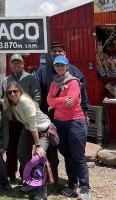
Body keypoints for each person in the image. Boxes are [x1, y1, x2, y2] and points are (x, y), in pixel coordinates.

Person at [36, 42, 89, 184]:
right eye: (54, 51)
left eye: (60, 51)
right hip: (51, 119)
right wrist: (52, 105)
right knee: (56, 152)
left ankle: (82, 185)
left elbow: (79, 96)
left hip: (73, 118)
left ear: (65, 56)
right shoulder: (42, 71)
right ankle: (53, 179)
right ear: (51, 56)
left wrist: (85, 111)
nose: (57, 53)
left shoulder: (75, 73)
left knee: (76, 154)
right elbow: (45, 98)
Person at [47, 56, 90, 200]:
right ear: (54, 67)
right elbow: (48, 100)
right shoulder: (54, 84)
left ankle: (85, 189)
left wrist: (55, 102)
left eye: (62, 65)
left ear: (67, 66)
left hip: (75, 122)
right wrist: (61, 101)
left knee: (78, 156)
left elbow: (71, 101)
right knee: (67, 155)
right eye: (57, 65)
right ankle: (72, 185)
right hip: (59, 123)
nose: (59, 67)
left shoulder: (74, 82)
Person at [4, 81, 50, 200]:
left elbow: (34, 125)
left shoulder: (25, 101)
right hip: (28, 129)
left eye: (15, 91)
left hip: (42, 131)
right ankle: (31, 182)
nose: (12, 94)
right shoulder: (12, 104)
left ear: (20, 91)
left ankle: (41, 192)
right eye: (9, 92)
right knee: (22, 154)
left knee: (38, 159)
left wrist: (38, 146)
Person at [1, 53, 41, 183]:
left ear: (23, 64)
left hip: (26, 122)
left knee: (25, 150)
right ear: (10, 65)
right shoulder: (5, 80)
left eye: (19, 62)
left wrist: (32, 114)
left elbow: (37, 98)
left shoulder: (31, 78)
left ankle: (25, 175)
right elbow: (3, 99)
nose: (16, 65)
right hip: (11, 120)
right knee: (11, 149)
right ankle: (10, 174)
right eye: (14, 63)